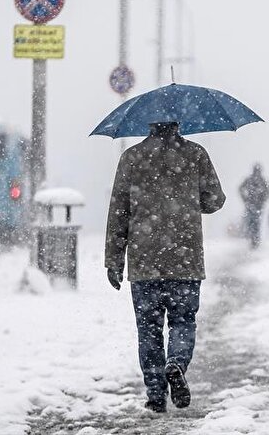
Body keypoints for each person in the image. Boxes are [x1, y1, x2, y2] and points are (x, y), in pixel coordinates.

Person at [105, 122, 226, 413]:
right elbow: (215, 200)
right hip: (185, 260)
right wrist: (187, 199)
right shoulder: (195, 154)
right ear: (178, 123)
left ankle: (155, 395)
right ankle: (176, 362)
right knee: (183, 321)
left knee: (148, 330)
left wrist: (113, 260)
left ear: (149, 124)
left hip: (145, 263)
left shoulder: (132, 157)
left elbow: (118, 211)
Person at [239, 164, 269, 249]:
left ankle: (254, 238)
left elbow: (268, 192)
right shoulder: (258, 180)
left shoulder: (258, 180)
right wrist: (245, 199)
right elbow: (241, 189)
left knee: (253, 222)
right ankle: (254, 238)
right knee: (254, 222)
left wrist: (246, 199)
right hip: (254, 205)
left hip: (255, 205)